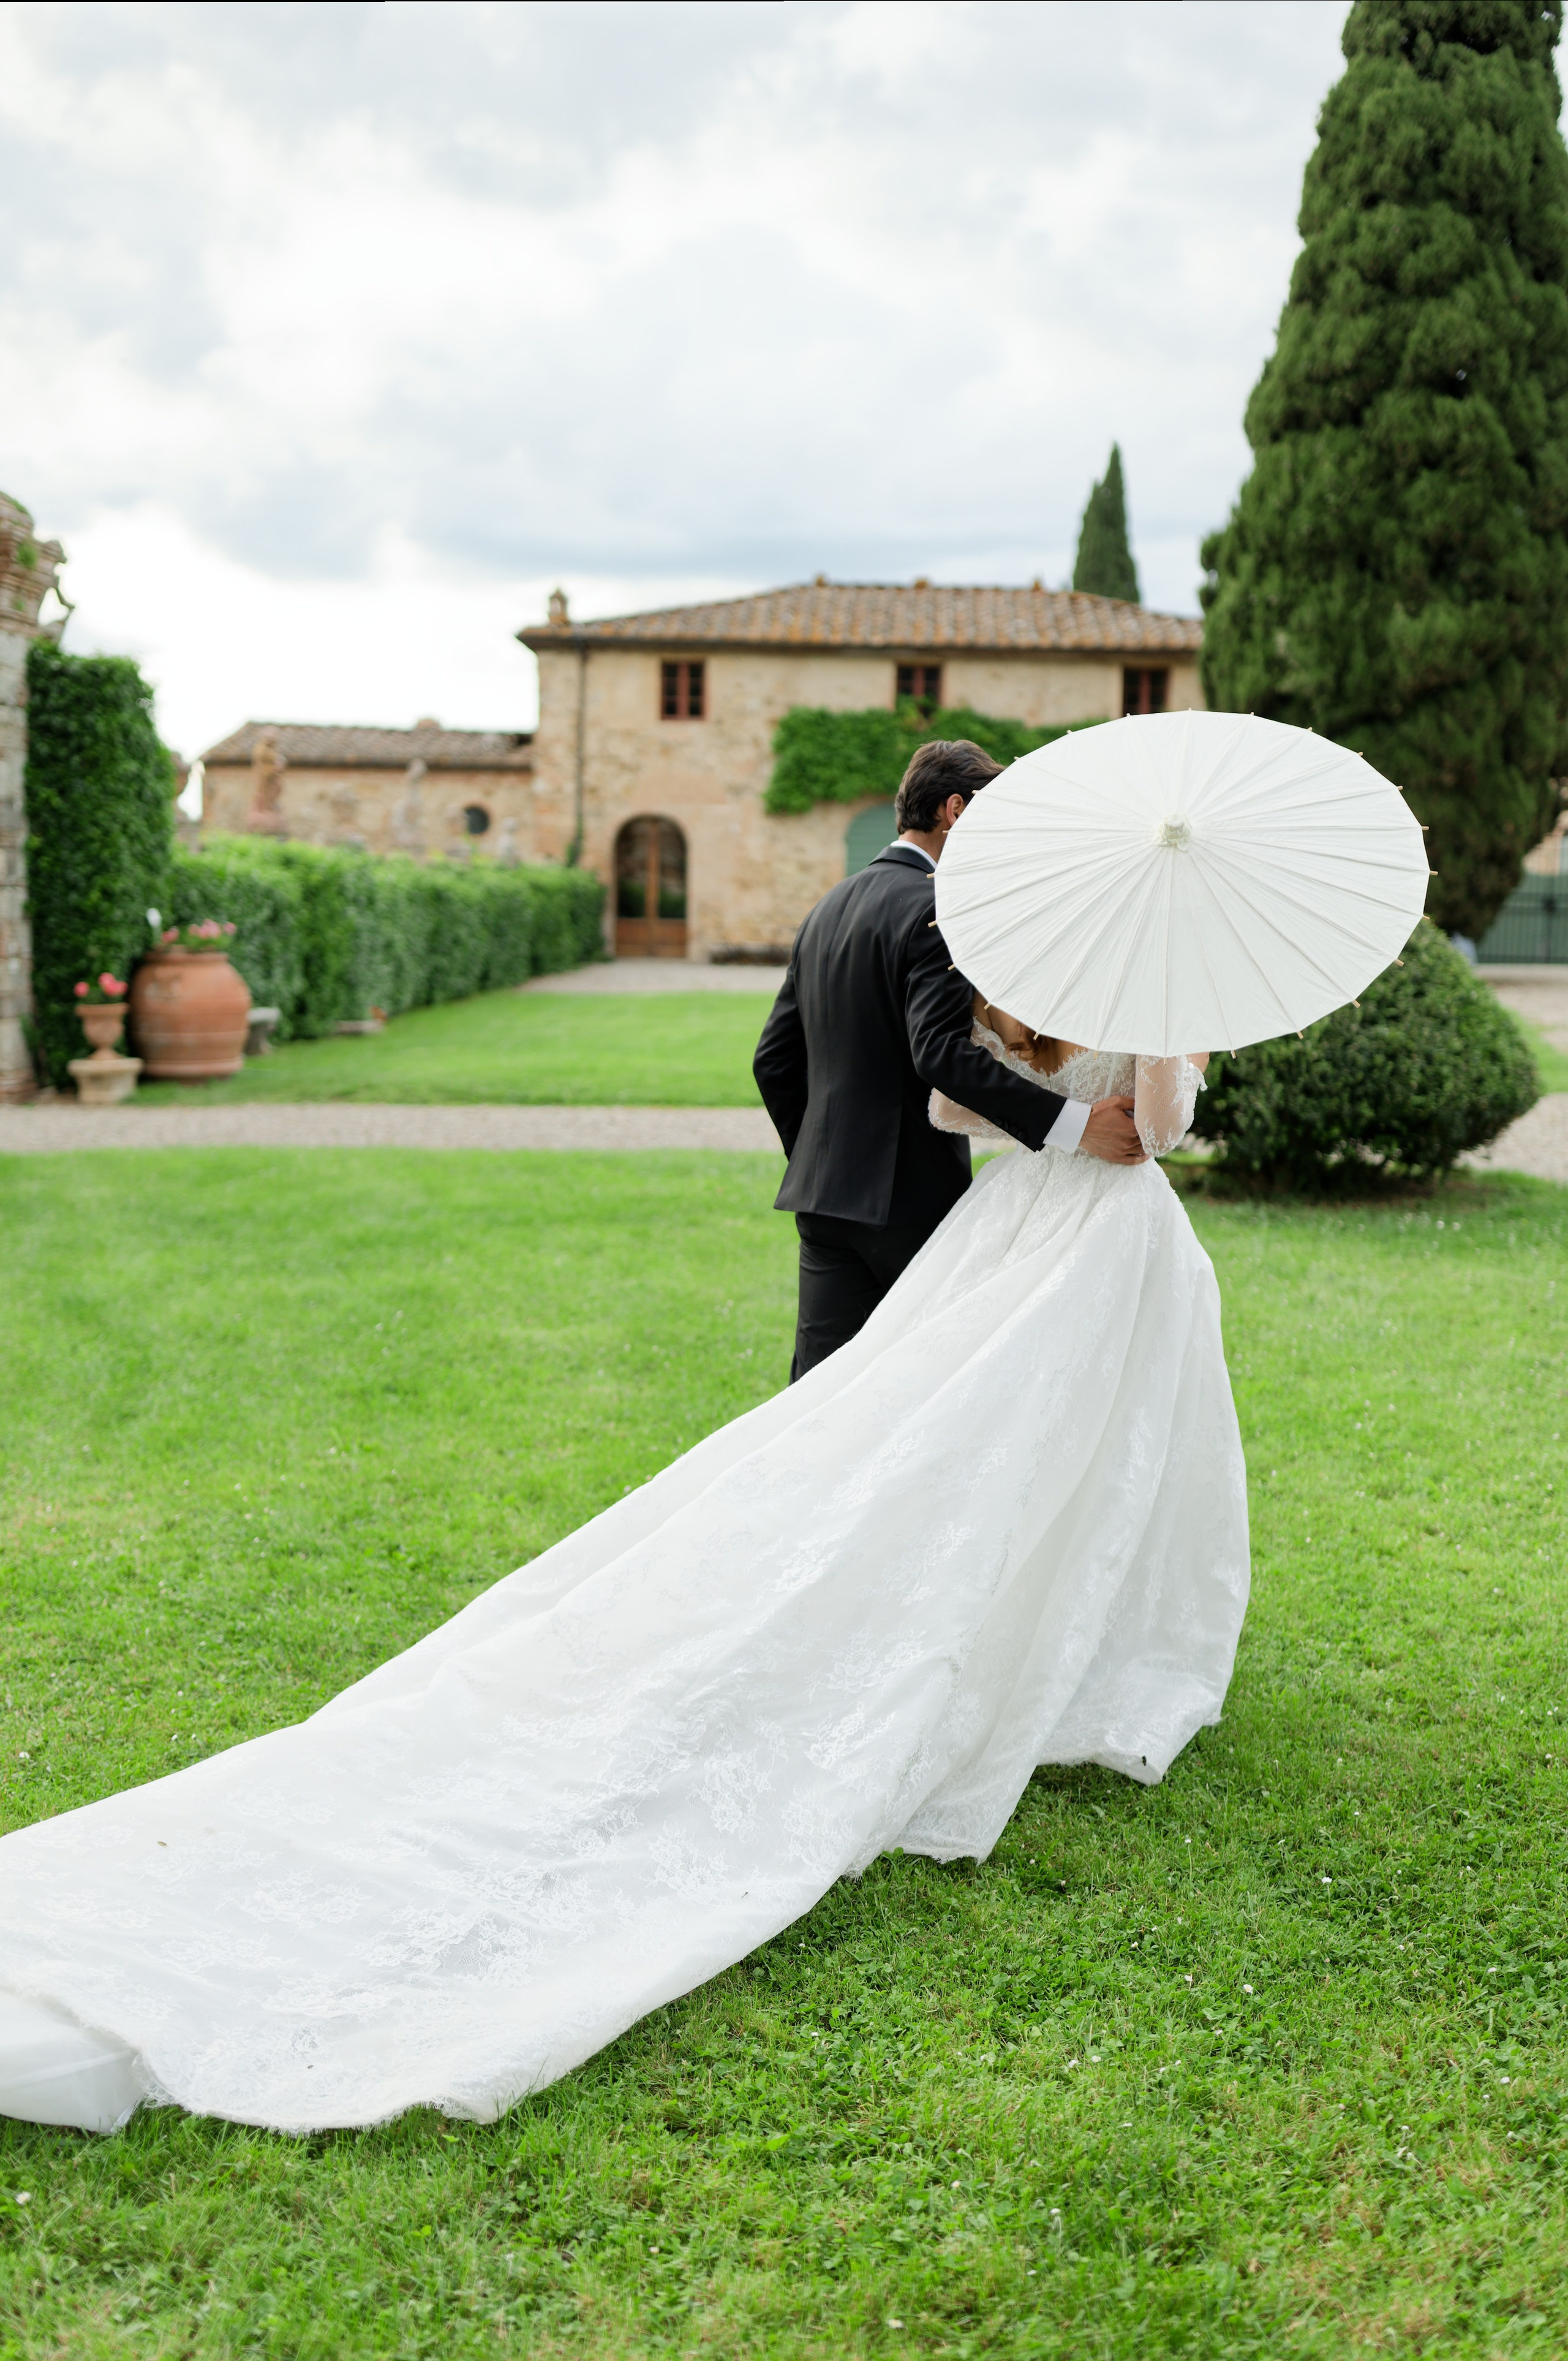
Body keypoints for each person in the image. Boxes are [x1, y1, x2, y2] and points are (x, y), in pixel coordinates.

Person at [0, 809, 1248, 2140]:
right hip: (1093, 1243)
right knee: (1027, 1455)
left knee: (901, 1439)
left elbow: (927, 1086)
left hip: (993, 1225)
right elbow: (1161, 1129)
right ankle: (1029, 1642)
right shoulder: (1132, 986)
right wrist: (1167, 1039)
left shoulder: (1023, 963)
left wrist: (1024, 1108)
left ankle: (954, 1612)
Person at [753, 739, 1147, 1378]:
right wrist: (1076, 1123)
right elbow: (939, 1053)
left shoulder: (828, 906)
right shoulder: (939, 907)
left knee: (818, 1395)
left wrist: (822, 1155)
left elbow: (772, 1061)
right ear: (956, 811)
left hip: (823, 1198)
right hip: (907, 1198)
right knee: (924, 1388)